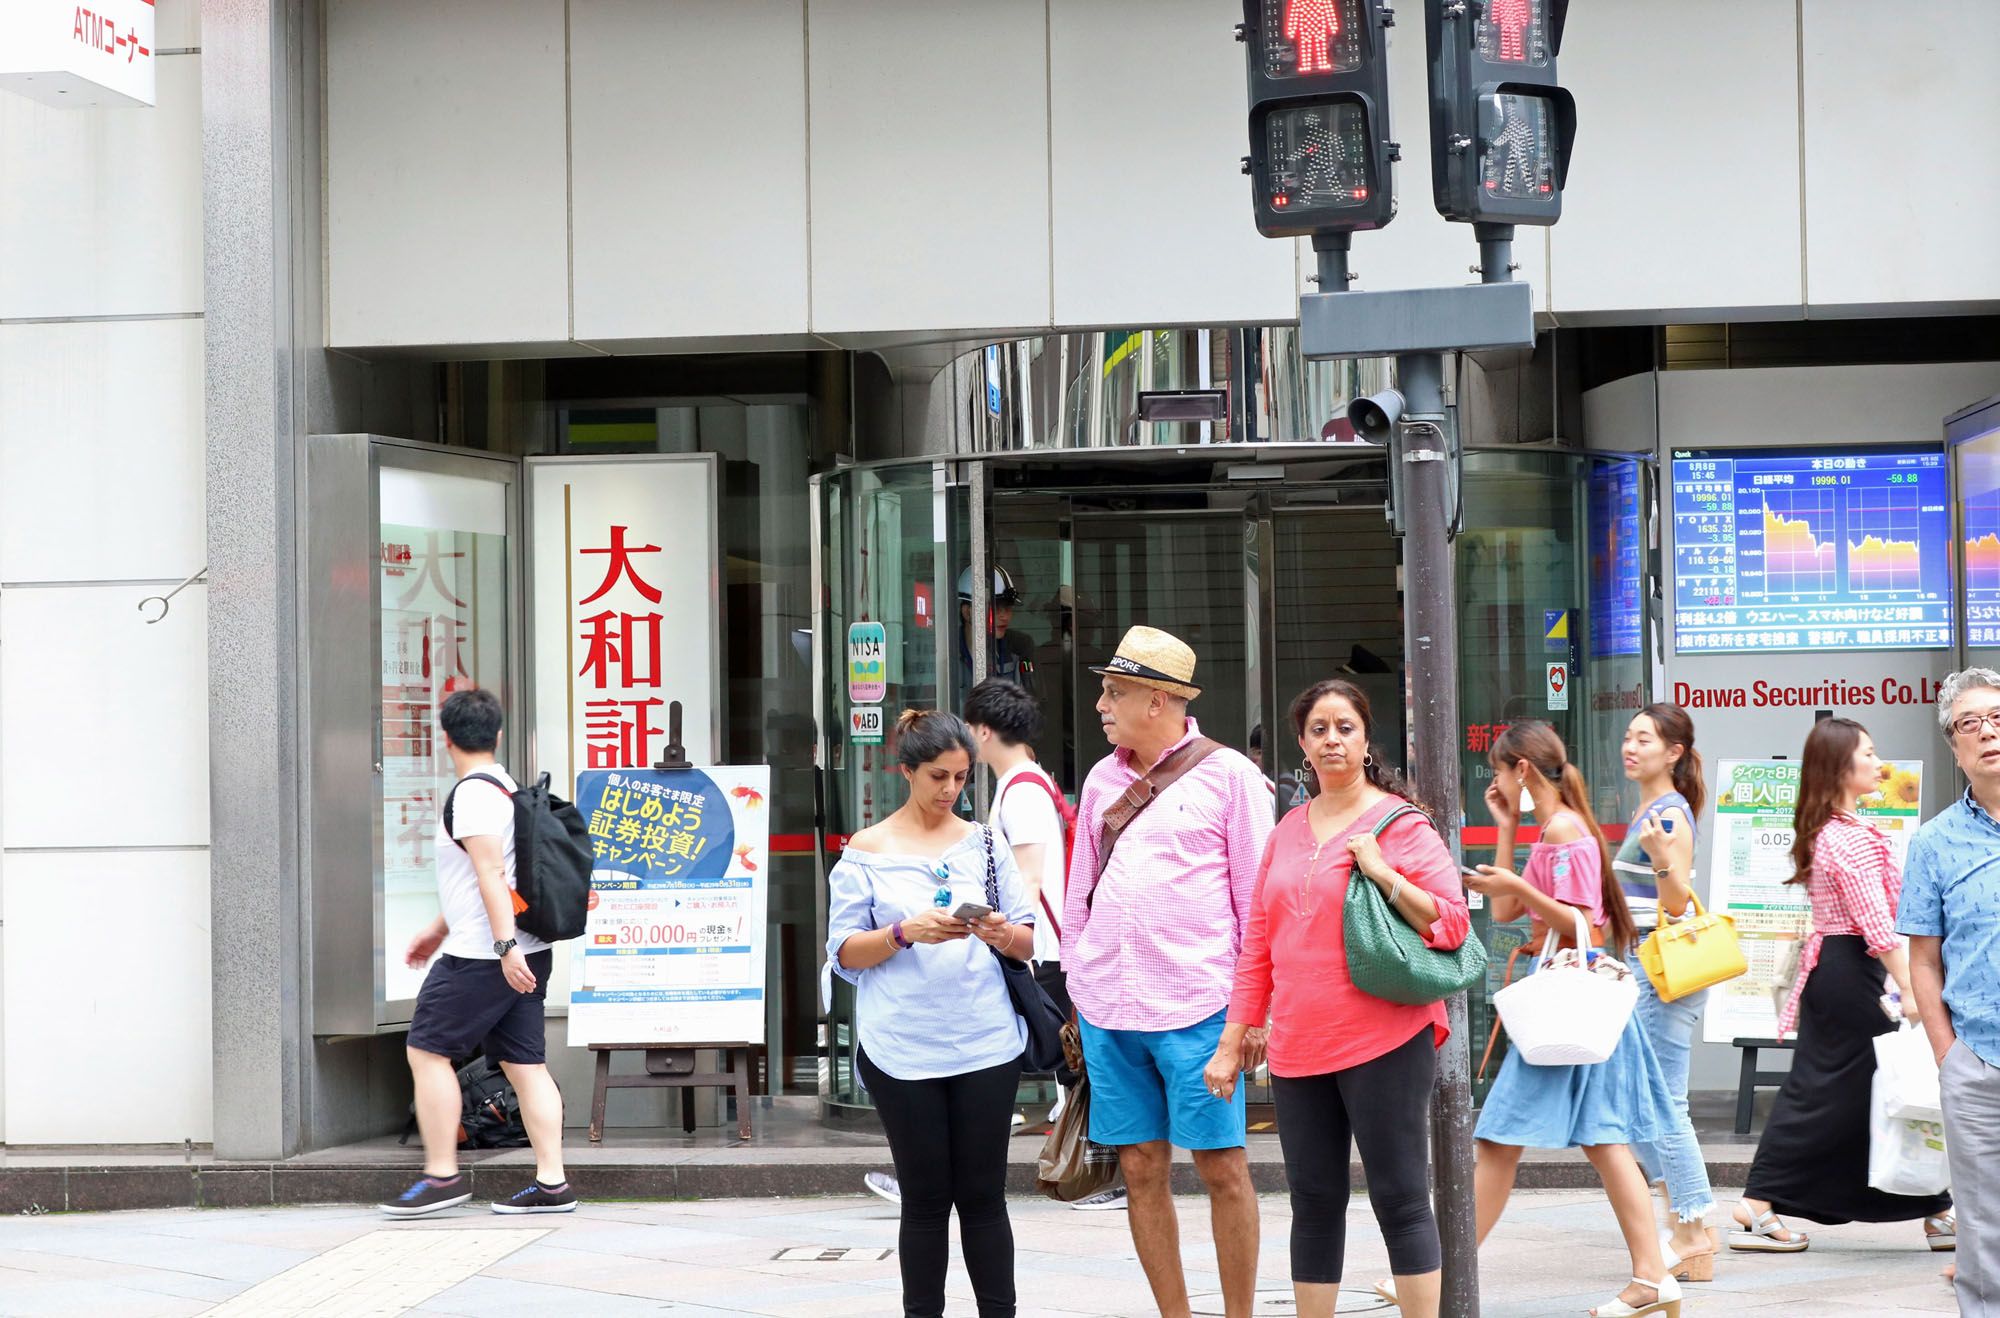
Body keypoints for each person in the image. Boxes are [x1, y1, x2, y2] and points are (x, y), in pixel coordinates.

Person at [1205, 679, 1470, 1318]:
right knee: (1314, 1202)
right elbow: (1258, 946)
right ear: (1301, 742)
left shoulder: (1400, 824)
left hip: (1385, 1039)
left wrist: (1382, 871)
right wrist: (1232, 1039)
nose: (1332, 740)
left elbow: (1453, 924)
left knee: (1400, 1197)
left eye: (1344, 728)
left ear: (1365, 738)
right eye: (1319, 729)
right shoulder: (1287, 829)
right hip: (1299, 1046)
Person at [1062, 625, 1274, 1318]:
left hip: (1200, 1007)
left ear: (1159, 701)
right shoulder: (1100, 779)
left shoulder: (1233, 778)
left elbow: (1260, 908)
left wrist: (1253, 1018)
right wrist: (1077, 979)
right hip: (1109, 1006)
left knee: (1223, 1168)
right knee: (1140, 1167)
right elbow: (1079, 888)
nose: (1101, 702)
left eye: (1114, 691)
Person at [1464, 720, 1682, 1318]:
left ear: (1522, 771)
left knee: (1500, 1137)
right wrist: (1507, 835)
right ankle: (1653, 1277)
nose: (1496, 782)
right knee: (1603, 1140)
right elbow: (1507, 907)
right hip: (1575, 1008)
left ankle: (1440, 1272)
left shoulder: (1565, 831)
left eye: (1498, 771)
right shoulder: (1553, 828)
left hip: (1569, 1003)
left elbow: (1588, 922)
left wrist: (1517, 885)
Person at [826, 709, 1039, 1318]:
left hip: (985, 1041)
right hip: (901, 1046)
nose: (950, 791)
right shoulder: (866, 852)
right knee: (923, 1198)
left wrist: (999, 934)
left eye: (962, 778)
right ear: (906, 772)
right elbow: (843, 952)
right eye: (938, 776)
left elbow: (1029, 942)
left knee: (983, 1196)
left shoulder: (985, 843)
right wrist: (903, 932)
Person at [1733, 716, 1952, 1255]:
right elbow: (1876, 923)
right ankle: (1760, 1201)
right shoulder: (1845, 838)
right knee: (1840, 1087)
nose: (1881, 765)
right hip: (1851, 970)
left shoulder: (1840, 831)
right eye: (1870, 754)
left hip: (1841, 969)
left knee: (1858, 1089)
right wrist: (1911, 990)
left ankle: (1934, 1209)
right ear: (1840, 767)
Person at [382, 687, 576, 1218]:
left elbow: (491, 874)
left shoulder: (472, 794)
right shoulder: (507, 787)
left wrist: (503, 946)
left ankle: (442, 1175)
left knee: (426, 1050)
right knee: (524, 1063)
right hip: (523, 949)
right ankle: (552, 1183)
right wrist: (439, 929)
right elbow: (485, 878)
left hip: (486, 955)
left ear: (446, 738)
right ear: (496, 735)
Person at [1902, 668, 2000, 1310]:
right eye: (1971, 723)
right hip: (1979, 1064)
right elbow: (1923, 960)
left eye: (1998, 717)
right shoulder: (1935, 843)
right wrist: (1948, 1055)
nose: (1989, 732)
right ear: (1955, 745)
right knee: (1985, 1235)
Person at [1613, 703, 1721, 1280]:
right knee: (1641, 1104)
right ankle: (1691, 1220)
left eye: (1645, 740)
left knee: (1660, 1103)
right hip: (1648, 966)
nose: (1631, 747)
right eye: (1629, 737)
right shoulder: (1653, 808)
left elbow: (1675, 904)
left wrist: (1658, 861)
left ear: (1673, 752)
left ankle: (1692, 1229)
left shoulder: (1669, 814)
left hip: (1660, 968)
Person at [958, 565, 1033, 704]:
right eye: (996, 608)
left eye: (1008, 608)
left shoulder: (1015, 650)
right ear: (967, 612)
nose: (1004, 616)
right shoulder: (949, 655)